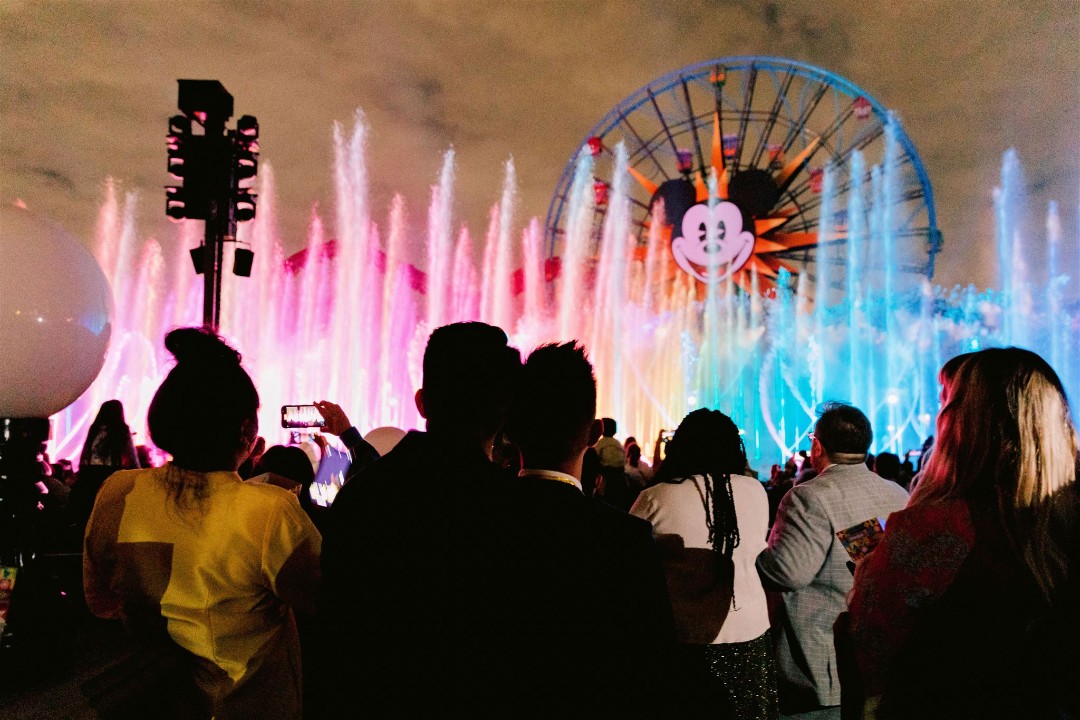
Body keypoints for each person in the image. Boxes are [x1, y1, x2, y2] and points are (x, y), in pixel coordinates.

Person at [83, 328, 321, 719]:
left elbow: (99, 600)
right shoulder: (268, 512)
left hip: (147, 703)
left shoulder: (118, 493)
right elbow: (326, 599)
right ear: (246, 430)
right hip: (239, 706)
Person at [847, 348, 1080, 718]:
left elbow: (871, 644)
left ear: (963, 422)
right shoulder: (1066, 518)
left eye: (946, 401)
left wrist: (869, 574)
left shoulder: (934, 526)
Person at [319, 322, 522, 717]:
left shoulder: (362, 498)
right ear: (504, 412)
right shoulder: (523, 513)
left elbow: (337, 635)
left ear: (422, 402)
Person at [502, 342, 677, 716]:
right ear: (596, 431)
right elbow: (655, 665)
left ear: (511, 428)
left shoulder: (464, 524)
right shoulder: (625, 540)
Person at [756, 402, 908, 719]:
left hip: (821, 664)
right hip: (876, 659)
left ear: (817, 446)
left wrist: (755, 550)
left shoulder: (810, 495)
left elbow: (787, 573)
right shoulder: (896, 494)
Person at [631, 408, 778, 719]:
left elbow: (629, 561)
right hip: (751, 633)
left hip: (686, 638)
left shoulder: (657, 497)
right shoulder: (755, 490)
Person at [66, 399, 140, 541]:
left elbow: (87, 451)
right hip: (111, 472)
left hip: (91, 473)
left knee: (91, 507)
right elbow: (131, 454)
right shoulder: (121, 429)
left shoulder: (94, 428)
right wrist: (137, 471)